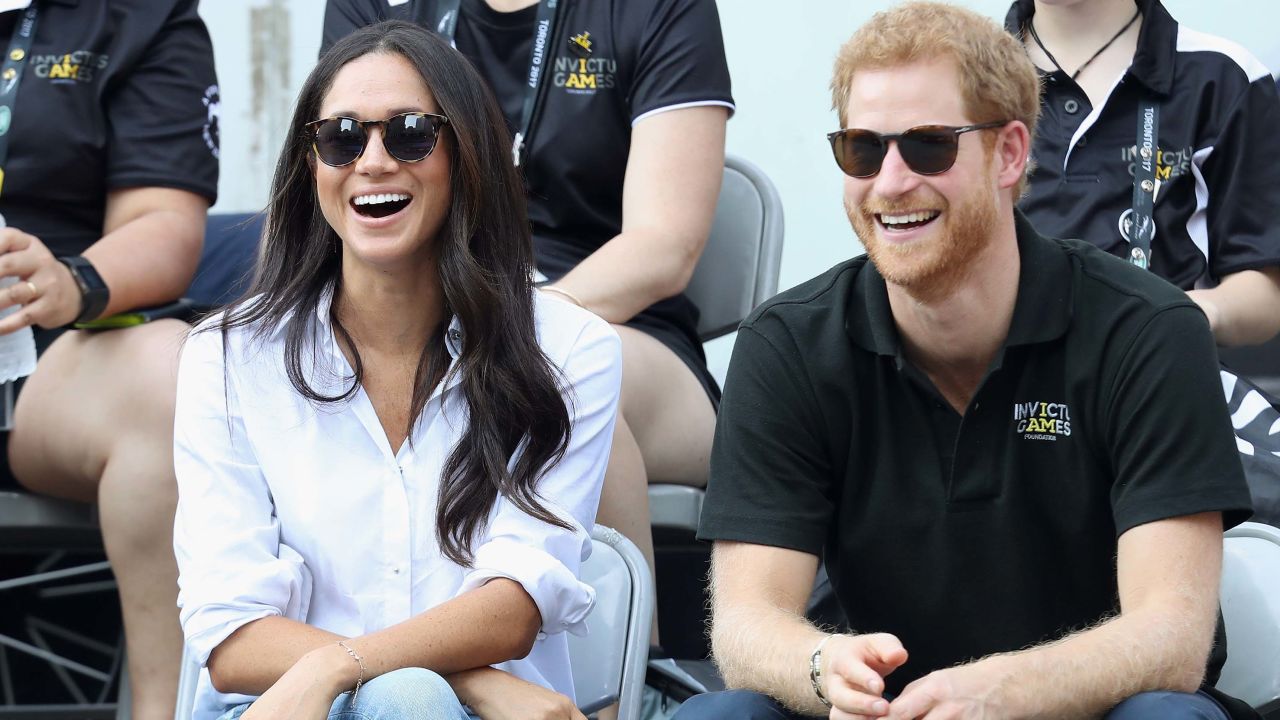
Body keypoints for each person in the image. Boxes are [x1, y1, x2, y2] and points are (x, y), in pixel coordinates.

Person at [673, 3, 1256, 719]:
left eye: (927, 146)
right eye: (862, 148)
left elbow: (1172, 636)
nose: (889, 182)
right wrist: (821, 665)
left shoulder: (1150, 331)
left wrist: (1005, 690)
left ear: (1010, 154)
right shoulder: (787, 344)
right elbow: (746, 624)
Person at [173, 20, 621, 720]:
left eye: (411, 133)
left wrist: (345, 665)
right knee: (413, 693)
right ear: (310, 164)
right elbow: (228, 636)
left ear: (467, 154)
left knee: (411, 697)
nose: (373, 160)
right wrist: (469, 678)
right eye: (341, 138)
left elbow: (514, 605)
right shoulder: (226, 356)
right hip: (278, 708)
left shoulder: (569, 350)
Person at [321, 0, 733, 601]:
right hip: (417, 307)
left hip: (618, 323)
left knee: (552, 370)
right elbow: (338, 172)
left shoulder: (657, 8)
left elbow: (664, 247)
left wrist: (496, 326)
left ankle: (626, 683)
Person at [0, 2, 219, 717]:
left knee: (169, 370)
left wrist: (69, 282)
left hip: (37, 357)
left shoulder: (141, 16)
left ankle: (167, 712)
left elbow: (162, 221)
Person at [1008, 0, 1280, 348]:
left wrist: (1183, 314)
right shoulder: (966, 77)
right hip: (1001, 381)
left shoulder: (1223, 74)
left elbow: (1263, 287)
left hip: (1158, 374)